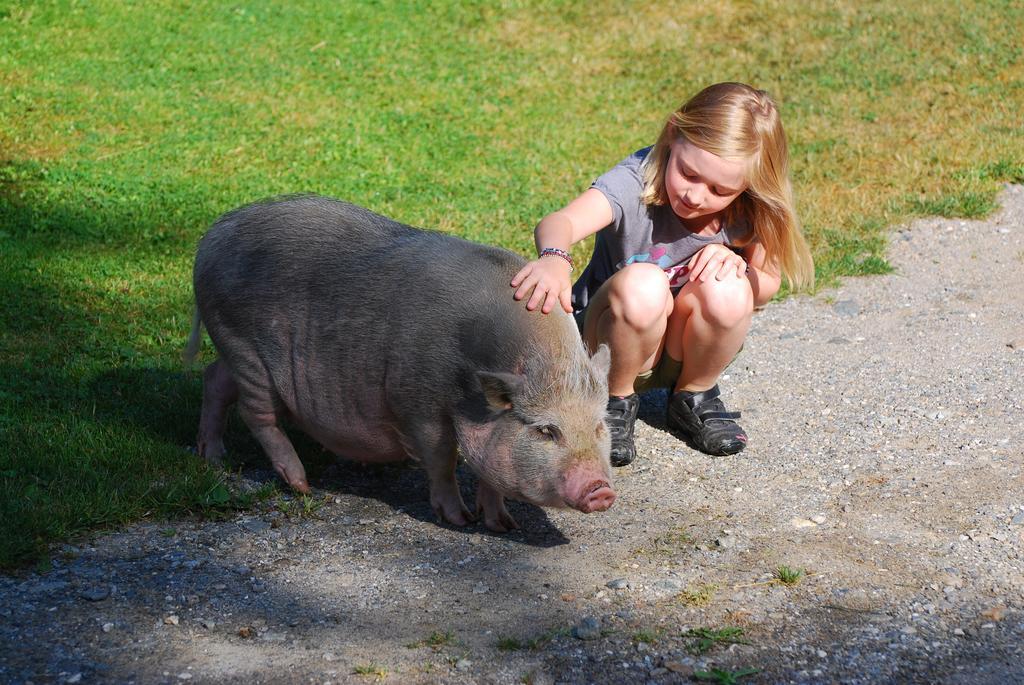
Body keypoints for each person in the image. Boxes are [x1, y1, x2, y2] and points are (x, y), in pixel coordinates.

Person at [510, 82, 814, 466]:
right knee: (645, 282)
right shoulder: (636, 180)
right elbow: (562, 221)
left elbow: (766, 287)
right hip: (607, 342)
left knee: (730, 287)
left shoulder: (747, 209)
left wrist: (740, 266)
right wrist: (555, 256)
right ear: (673, 135)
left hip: (680, 347)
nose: (697, 196)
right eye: (689, 173)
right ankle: (613, 402)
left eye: (720, 189)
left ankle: (694, 396)